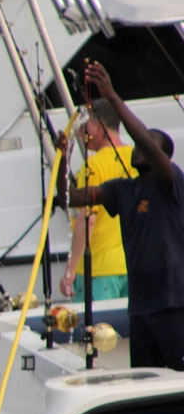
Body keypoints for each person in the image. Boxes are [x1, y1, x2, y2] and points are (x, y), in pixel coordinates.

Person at [57, 61, 184, 370]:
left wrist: (112, 97)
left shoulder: (171, 181)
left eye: (148, 144)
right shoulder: (121, 190)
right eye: (140, 143)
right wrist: (63, 158)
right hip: (139, 308)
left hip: (174, 303)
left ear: (163, 156)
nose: (140, 148)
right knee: (144, 379)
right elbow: (68, 197)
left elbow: (144, 143)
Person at [58, 98, 135, 301]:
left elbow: (88, 218)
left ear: (98, 125)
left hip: (100, 271)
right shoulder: (137, 158)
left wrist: (71, 268)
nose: (82, 133)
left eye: (85, 126)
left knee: (98, 331)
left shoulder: (94, 165)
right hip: (133, 266)